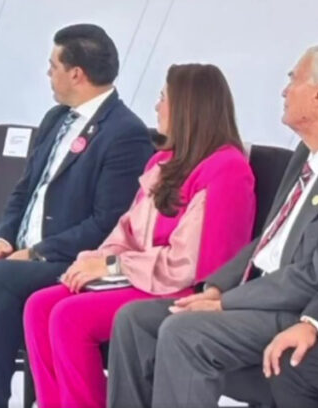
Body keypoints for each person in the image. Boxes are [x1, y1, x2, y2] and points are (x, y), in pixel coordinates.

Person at [0, 24, 154, 408]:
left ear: (76, 73)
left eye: (53, 66)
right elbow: (23, 191)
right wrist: (3, 238)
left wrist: (37, 252)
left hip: (65, 262)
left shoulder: (125, 133)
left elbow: (107, 223)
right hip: (17, 257)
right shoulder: (56, 118)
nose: (48, 74)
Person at [107, 45, 318, 408]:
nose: (284, 91)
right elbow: (269, 239)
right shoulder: (306, 154)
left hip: (296, 307)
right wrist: (218, 287)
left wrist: (227, 302)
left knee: (184, 332)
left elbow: (317, 274)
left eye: (293, 79)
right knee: (134, 320)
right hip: (256, 295)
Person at [22, 64, 256, 408]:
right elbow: (127, 230)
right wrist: (96, 261)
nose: (157, 106)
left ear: (188, 106)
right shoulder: (163, 161)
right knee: (39, 306)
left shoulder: (227, 169)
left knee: (70, 317)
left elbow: (188, 264)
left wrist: (113, 266)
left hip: (186, 289)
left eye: (163, 98)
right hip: (141, 277)